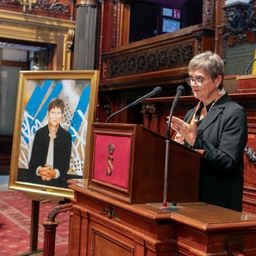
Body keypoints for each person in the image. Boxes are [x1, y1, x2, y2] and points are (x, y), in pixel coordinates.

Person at [171, 51, 247, 212]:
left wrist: (194, 141)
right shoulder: (192, 113)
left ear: (217, 80)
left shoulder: (233, 112)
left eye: (199, 79)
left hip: (217, 203)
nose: (193, 84)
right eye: (191, 78)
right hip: (189, 196)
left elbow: (227, 162)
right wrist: (178, 147)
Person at [29, 98, 72, 188]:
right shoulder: (39, 133)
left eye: (58, 113)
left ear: (62, 116)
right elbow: (33, 162)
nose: (55, 116)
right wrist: (40, 171)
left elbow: (65, 165)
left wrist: (53, 173)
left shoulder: (66, 136)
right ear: (48, 114)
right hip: (39, 178)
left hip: (58, 180)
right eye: (53, 112)